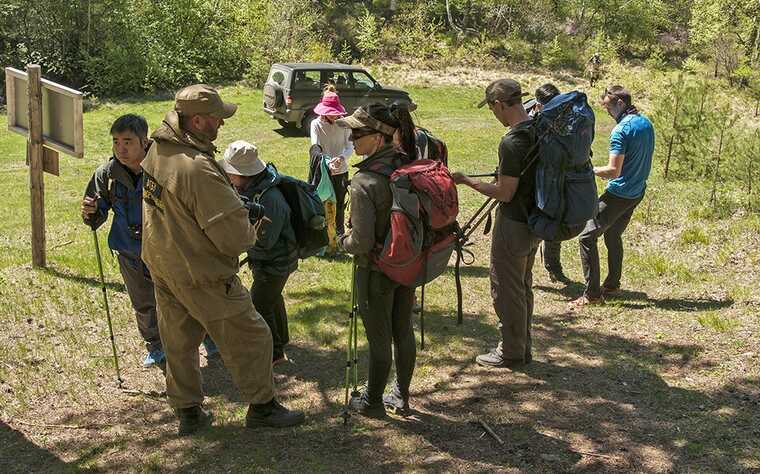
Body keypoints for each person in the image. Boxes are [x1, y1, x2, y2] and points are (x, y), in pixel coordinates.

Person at [140, 84, 304, 435]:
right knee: (256, 336)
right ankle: (262, 407)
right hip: (202, 272)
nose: (221, 125)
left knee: (179, 342)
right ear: (197, 120)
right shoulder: (198, 169)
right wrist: (250, 222)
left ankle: (188, 413)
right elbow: (233, 239)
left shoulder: (157, 149)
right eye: (217, 118)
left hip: (164, 264)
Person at [335, 103, 419, 418]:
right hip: (406, 265)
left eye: (358, 132)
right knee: (403, 330)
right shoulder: (406, 164)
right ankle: (402, 397)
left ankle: (372, 402)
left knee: (379, 338)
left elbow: (362, 242)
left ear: (380, 136)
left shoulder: (364, 182)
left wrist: (342, 241)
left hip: (375, 271)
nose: (352, 138)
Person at [452, 79, 540, 369]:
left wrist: (467, 181)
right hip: (535, 220)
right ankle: (522, 347)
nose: (493, 114)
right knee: (522, 285)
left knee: (506, 288)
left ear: (499, 104)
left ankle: (511, 351)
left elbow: (505, 192)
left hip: (514, 222)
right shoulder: (537, 129)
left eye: (492, 109)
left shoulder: (512, 141)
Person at [569, 85, 654, 308]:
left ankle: (593, 295)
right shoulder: (646, 123)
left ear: (620, 104)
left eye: (608, 107)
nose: (607, 112)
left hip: (619, 194)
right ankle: (613, 283)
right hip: (637, 192)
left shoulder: (621, 130)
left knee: (587, 236)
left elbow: (613, 171)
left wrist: (588, 170)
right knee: (613, 233)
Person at [219, 140, 298, 366]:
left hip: (275, 262)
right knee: (273, 299)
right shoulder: (255, 190)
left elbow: (265, 241)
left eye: (231, 174)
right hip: (271, 260)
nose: (229, 178)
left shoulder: (269, 200)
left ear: (244, 175)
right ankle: (282, 341)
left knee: (260, 305)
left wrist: (236, 241)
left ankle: (273, 353)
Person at [531, 83, 571, 284]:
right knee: (536, 227)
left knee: (553, 225)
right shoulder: (533, 121)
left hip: (557, 180)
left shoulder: (567, 122)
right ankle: (530, 269)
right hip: (539, 182)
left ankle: (553, 267)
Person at [310, 86, 353, 245]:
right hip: (323, 171)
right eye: (331, 113)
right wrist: (328, 162)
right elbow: (316, 147)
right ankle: (322, 236)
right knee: (322, 203)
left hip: (341, 170)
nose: (335, 116)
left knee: (340, 204)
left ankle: (340, 235)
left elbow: (350, 147)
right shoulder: (316, 124)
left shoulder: (345, 124)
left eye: (336, 112)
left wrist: (341, 158)